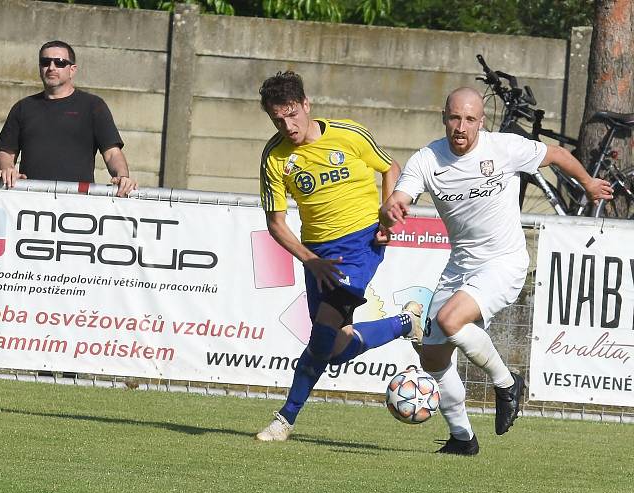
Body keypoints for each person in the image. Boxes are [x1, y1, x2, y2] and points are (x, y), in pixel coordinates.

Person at [379, 87, 614, 456]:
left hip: (505, 261)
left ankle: (507, 384)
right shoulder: (427, 159)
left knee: (450, 320)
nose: (461, 127)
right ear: (444, 117)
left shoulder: (502, 147)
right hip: (460, 267)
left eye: (470, 119)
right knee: (433, 358)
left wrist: (587, 182)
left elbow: (554, 155)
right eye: (455, 118)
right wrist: (391, 208)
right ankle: (462, 438)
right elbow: (401, 196)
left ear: (481, 122)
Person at [255, 71, 423, 442]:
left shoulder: (349, 134)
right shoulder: (275, 157)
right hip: (317, 255)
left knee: (321, 337)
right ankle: (402, 324)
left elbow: (390, 167)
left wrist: (387, 211)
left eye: (292, 114)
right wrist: (309, 259)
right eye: (277, 119)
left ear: (306, 104)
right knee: (332, 346)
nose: (287, 125)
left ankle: (285, 419)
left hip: (361, 245)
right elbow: (276, 223)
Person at [0, 40, 137, 197]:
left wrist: (122, 177)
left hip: (76, 205)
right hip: (29, 201)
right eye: (45, 62)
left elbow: (112, 154)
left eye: (60, 62)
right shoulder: (23, 107)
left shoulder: (93, 106)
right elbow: (6, 153)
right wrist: (8, 169)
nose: (52, 67)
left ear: (72, 70)